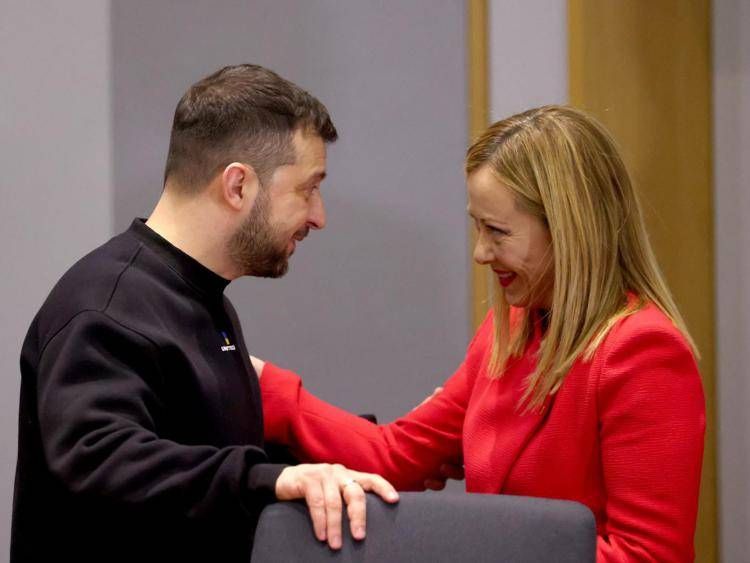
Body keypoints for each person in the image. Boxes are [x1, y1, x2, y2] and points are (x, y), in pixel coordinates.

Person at [255, 105, 706, 562]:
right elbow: (394, 455)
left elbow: (650, 556)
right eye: (477, 226)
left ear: (570, 231)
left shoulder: (643, 351)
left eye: (497, 231)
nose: (480, 252)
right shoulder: (508, 331)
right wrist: (259, 382)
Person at [11, 64, 398, 563]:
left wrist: (320, 470)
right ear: (237, 186)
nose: (318, 216)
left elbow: (204, 454)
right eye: (308, 188)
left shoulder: (202, 302)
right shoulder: (106, 307)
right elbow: (100, 459)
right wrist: (268, 479)